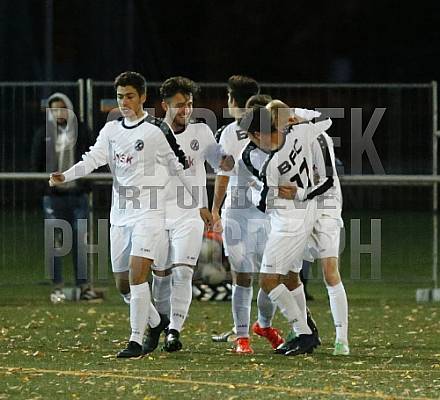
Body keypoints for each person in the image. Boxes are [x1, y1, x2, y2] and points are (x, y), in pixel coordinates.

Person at [49, 71, 196, 359]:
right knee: (123, 284)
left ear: (142, 97)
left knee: (137, 275)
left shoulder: (157, 130)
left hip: (149, 215)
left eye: (129, 96)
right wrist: (65, 175)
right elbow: (92, 158)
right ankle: (156, 322)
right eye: (120, 97)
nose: (124, 102)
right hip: (120, 216)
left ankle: (135, 340)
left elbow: (180, 166)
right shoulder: (111, 130)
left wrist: (198, 205)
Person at [145, 76, 233, 353]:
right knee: (160, 277)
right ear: (165, 106)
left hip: (190, 215)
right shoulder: (150, 134)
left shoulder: (201, 132)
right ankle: (159, 325)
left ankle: (174, 331)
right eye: (180, 105)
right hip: (158, 214)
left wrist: (231, 154)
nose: (186, 110)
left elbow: (222, 164)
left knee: (183, 273)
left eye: (190, 104)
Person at [242, 106, 331, 356]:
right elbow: (326, 120)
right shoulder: (298, 131)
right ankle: (308, 332)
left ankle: (303, 333)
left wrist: (252, 189)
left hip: (288, 224)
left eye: (250, 136)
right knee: (291, 277)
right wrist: (298, 115)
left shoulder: (270, 165)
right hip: (306, 213)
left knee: (268, 281)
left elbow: (264, 204)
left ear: (257, 134)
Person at [267, 99, 349, 355]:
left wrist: (299, 193)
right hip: (300, 211)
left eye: (279, 123)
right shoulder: (285, 141)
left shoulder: (316, 137)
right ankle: (303, 331)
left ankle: (342, 339)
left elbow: (327, 181)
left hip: (326, 208)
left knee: (329, 271)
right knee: (289, 274)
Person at [31, 92, 101, 303]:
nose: (58, 113)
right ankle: (57, 288)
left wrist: (86, 185)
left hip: (77, 195)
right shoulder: (43, 133)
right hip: (54, 198)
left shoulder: (82, 131)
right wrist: (45, 189)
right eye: (53, 110)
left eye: (62, 108)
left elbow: (93, 157)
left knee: (81, 241)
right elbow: (36, 163)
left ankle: (83, 287)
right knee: (54, 243)